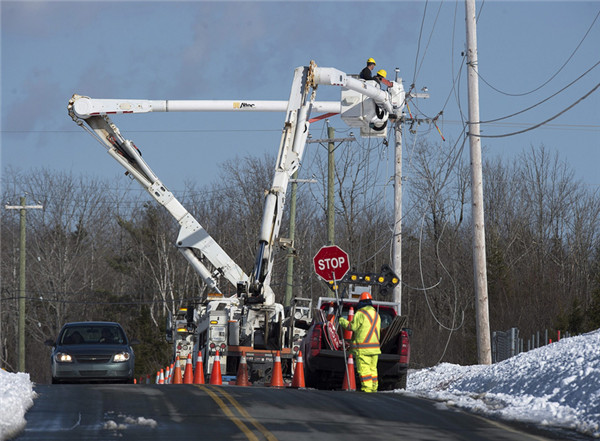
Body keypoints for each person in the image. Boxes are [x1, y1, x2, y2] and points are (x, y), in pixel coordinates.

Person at [338, 292, 381, 392]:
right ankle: (374, 388)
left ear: (361, 302)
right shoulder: (376, 315)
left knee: (364, 370)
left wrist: (342, 321)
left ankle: (367, 389)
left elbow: (352, 327)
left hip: (363, 348)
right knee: (373, 369)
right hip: (375, 349)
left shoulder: (360, 314)